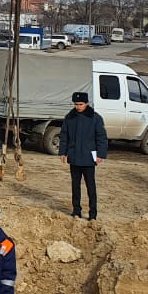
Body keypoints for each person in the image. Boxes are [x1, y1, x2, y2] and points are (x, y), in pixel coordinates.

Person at [59, 90, 108, 219]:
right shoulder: (69, 118)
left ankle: (93, 214)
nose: (78, 107)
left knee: (90, 187)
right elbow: (64, 136)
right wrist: (63, 152)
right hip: (74, 158)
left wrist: (100, 155)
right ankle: (76, 211)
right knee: (75, 186)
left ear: (86, 103)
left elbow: (101, 137)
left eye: (80, 104)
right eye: (76, 104)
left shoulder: (95, 118)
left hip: (88, 159)